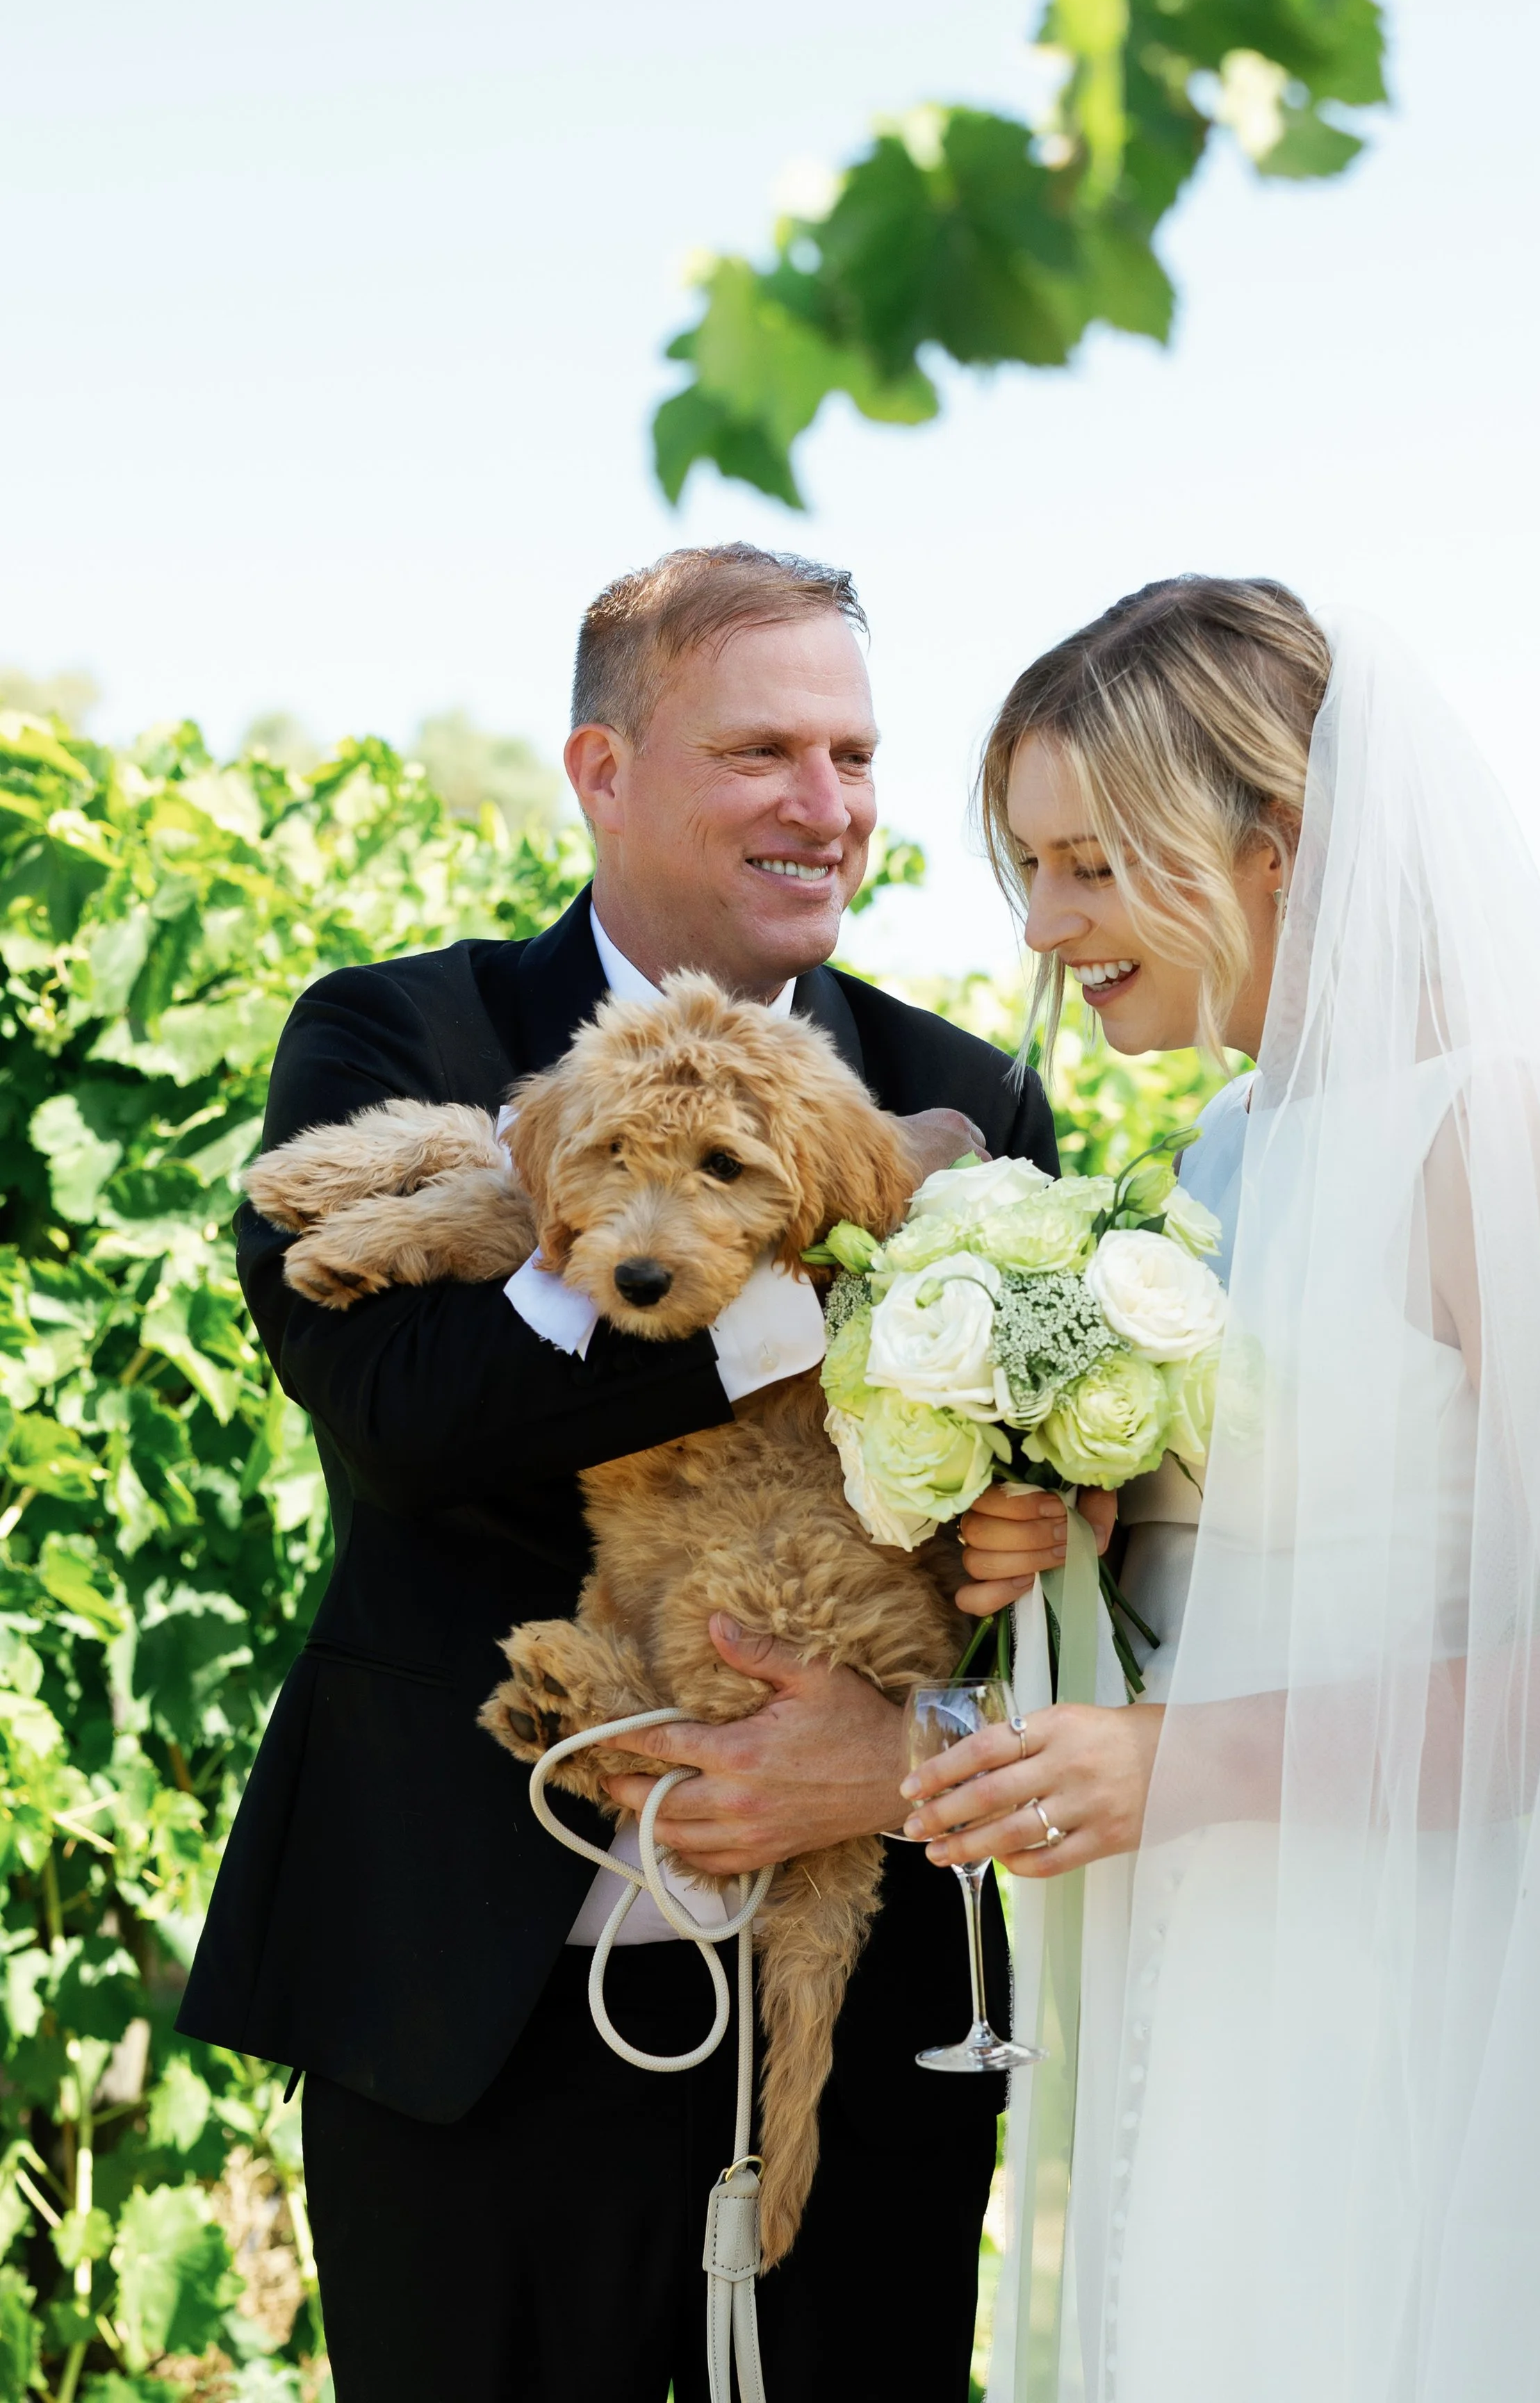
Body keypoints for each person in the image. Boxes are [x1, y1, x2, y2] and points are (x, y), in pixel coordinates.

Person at [178, 543, 1063, 2403]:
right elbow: (404, 1420)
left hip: (857, 2016)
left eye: (851, 753)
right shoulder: (398, 1034)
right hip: (469, 2016)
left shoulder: (960, 1094)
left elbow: (1032, 1554)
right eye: (762, 751)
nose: (825, 807)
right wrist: (786, 1301)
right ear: (599, 770)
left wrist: (924, 1715)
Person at [904, 577, 1540, 2400]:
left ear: (1269, 840)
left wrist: (1185, 1765)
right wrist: (1079, 1544)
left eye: (1088, 865)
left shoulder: (1490, 1128)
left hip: (1402, 1980)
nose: (1044, 925)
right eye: (1029, 869)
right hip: (1199, 1952)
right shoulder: (1222, 1145)